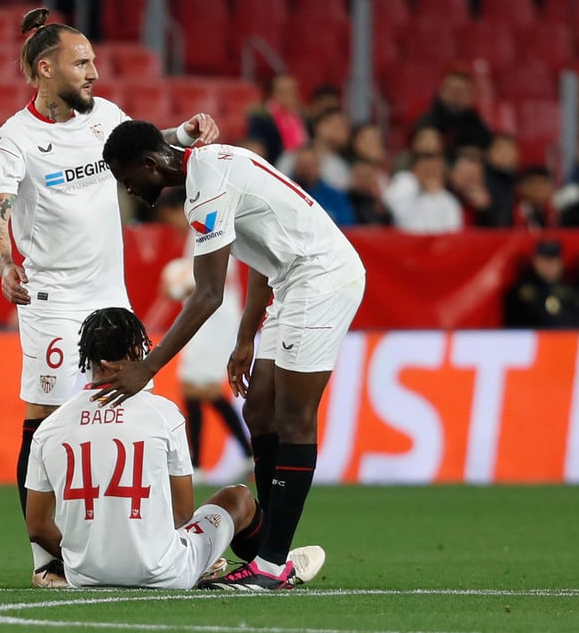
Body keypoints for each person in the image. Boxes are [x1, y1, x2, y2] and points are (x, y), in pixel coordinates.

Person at [0, 7, 219, 588]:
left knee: (136, 411)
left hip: (111, 296)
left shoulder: (104, 116)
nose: (93, 72)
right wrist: (7, 265)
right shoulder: (15, 139)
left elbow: (147, 146)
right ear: (46, 69)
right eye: (81, 62)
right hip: (53, 301)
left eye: (93, 61)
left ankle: (162, 546)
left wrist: (183, 135)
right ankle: (47, 560)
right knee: (47, 421)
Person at [98, 120, 365, 591]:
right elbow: (262, 255)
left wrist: (148, 367)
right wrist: (246, 337)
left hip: (321, 278)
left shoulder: (208, 185)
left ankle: (270, 564)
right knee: (258, 408)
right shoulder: (209, 170)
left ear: (149, 164)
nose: (128, 190)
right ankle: (268, 545)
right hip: (290, 281)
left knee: (294, 415)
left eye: (126, 178)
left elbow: (207, 294)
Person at [23, 307, 324, 589]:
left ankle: (264, 563)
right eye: (139, 349)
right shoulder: (163, 414)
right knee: (239, 498)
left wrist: (85, 559)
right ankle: (273, 564)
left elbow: (37, 526)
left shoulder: (50, 428)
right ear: (123, 357)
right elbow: (182, 514)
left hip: (84, 575)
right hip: (165, 571)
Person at [153, 190, 254, 477]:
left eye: (169, 217)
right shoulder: (195, 233)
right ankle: (245, 456)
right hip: (207, 317)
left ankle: (198, 464)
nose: (171, 225)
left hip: (216, 318)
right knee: (199, 388)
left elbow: (215, 280)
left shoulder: (205, 230)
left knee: (196, 386)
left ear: (179, 210)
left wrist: (178, 288)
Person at [413, 70, 491, 159]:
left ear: (471, 95)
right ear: (441, 91)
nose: (456, 95)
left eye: (461, 91)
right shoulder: (426, 117)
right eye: (451, 90)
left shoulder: (477, 124)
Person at [503, 240, 579, 328]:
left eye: (552, 261)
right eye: (544, 261)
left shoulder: (573, 287)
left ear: (561, 263)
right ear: (535, 262)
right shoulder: (522, 290)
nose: (549, 266)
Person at [385, 152, 463, 234]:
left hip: (438, 241)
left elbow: (453, 234)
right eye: (425, 170)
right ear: (415, 170)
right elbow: (390, 202)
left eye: (434, 170)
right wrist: (413, 180)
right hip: (404, 239)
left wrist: (435, 196)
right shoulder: (406, 184)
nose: (430, 175)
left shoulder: (450, 201)